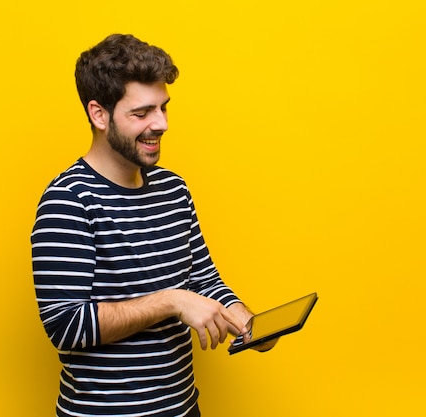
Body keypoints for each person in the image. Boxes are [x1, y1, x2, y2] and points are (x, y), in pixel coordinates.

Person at [31, 33, 274, 417]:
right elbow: (66, 325)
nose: (160, 124)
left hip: (182, 409)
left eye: (163, 108)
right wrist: (172, 301)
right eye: (142, 113)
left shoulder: (174, 190)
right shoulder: (68, 200)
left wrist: (246, 320)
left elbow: (203, 281)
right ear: (99, 114)